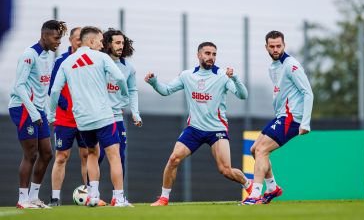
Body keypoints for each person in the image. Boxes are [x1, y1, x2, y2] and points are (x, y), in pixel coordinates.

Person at [145, 42, 252, 206]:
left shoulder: (223, 76)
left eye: (214, 54)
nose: (211, 57)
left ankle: (248, 185)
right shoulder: (187, 75)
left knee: (225, 170)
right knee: (173, 159)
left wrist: (235, 78)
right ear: (199, 55)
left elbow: (243, 95)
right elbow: (166, 90)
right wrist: (154, 82)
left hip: (217, 130)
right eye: (207, 53)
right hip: (194, 129)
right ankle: (163, 198)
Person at [48, 26, 132, 207]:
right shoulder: (101, 57)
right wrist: (124, 97)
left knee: (92, 153)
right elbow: (119, 78)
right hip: (103, 116)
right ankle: (118, 197)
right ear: (91, 41)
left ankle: (93, 195)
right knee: (114, 155)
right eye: (101, 41)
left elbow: (54, 91)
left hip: (82, 120)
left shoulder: (67, 62)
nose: (102, 45)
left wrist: (50, 113)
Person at [242, 30, 313, 205]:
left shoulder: (291, 64)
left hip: (292, 118)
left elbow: (308, 92)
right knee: (254, 150)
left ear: (284, 45)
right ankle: (273, 188)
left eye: (278, 46)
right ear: (266, 47)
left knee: (261, 151)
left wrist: (305, 122)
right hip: (281, 116)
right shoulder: (273, 67)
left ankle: (255, 195)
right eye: (272, 46)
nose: (275, 49)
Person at [8, 20, 67, 209]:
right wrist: (34, 113)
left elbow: (44, 88)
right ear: (44, 36)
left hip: (38, 110)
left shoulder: (49, 56)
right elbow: (19, 86)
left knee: (47, 153)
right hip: (24, 108)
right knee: (31, 154)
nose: (59, 42)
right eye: (56, 38)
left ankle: (34, 197)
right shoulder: (29, 55)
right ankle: (22, 199)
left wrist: (48, 112)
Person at [47, 27, 89, 206]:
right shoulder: (61, 61)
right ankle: (55, 198)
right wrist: (67, 106)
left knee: (87, 155)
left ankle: (90, 194)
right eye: (78, 38)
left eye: (83, 38)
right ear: (71, 40)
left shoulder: (90, 60)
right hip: (65, 118)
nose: (80, 41)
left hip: (86, 117)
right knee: (61, 156)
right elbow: (52, 89)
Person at [99, 29, 142, 189]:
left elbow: (132, 90)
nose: (121, 46)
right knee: (97, 155)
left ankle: (118, 196)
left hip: (117, 118)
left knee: (120, 156)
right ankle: (91, 193)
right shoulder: (99, 62)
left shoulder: (128, 68)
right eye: (117, 42)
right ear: (108, 43)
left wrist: (135, 113)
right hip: (98, 118)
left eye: (123, 43)